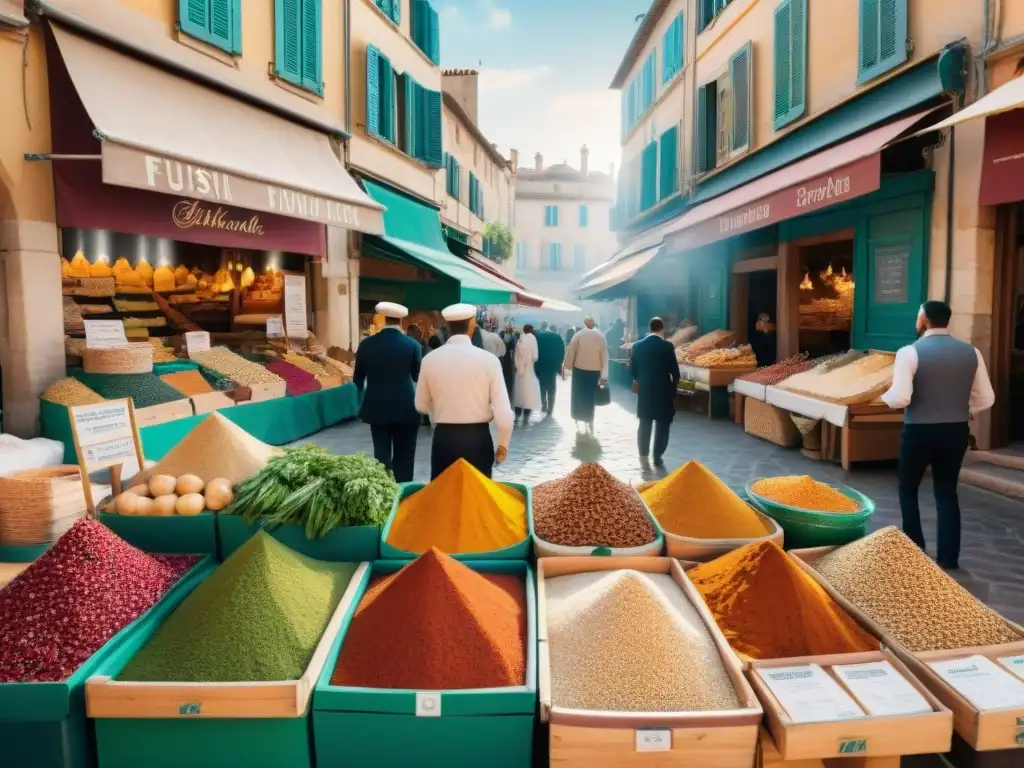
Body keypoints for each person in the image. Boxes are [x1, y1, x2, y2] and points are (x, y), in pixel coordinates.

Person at [881, 300, 995, 570]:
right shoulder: (972, 353)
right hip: (955, 431)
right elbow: (986, 398)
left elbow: (901, 398)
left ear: (923, 319)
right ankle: (949, 557)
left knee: (907, 488)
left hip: (918, 431)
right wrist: (961, 409)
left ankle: (914, 550)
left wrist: (884, 397)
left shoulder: (909, 352)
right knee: (947, 493)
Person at [415, 303, 513, 479]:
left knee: (444, 497)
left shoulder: (429, 360)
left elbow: (421, 405)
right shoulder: (489, 361)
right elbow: (503, 411)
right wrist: (503, 444)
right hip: (478, 440)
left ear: (447, 326)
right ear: (472, 324)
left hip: (444, 440)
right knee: (477, 499)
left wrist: (440, 408)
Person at [352, 302, 422, 482]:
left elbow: (358, 379)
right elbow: (417, 376)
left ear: (383, 319)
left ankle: (384, 491)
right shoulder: (413, 345)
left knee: (381, 454)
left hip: (376, 407)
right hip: (406, 407)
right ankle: (403, 491)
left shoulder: (366, 344)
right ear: (400, 320)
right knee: (405, 454)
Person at [630, 317, 680, 467]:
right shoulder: (667, 346)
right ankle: (657, 457)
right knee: (663, 424)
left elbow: (632, 371)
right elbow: (675, 372)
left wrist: (641, 380)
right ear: (662, 329)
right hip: (663, 392)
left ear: (649, 328)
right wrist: (673, 390)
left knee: (645, 423)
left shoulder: (638, 346)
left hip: (645, 391)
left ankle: (643, 455)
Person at [564, 316, 609, 432]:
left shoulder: (578, 335)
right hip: (595, 370)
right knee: (591, 395)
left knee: (578, 394)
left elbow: (571, 351)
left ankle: (578, 416)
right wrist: (604, 375)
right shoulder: (601, 336)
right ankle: (589, 417)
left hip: (579, 369)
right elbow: (604, 357)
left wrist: (568, 368)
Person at [513, 324, 543, 425]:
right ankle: (526, 415)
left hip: (520, 369)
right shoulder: (533, 338)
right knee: (529, 391)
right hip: (529, 369)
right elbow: (535, 356)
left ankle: (517, 414)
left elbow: (516, 354)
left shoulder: (520, 338)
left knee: (519, 392)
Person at [534, 322, 566, 415]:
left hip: (541, 364)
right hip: (552, 365)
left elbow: (534, 350)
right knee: (552, 386)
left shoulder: (538, 336)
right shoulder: (557, 337)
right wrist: (559, 364)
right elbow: (562, 351)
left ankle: (544, 405)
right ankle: (550, 409)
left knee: (542, 385)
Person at [500, 324, 517, 401]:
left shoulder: (502, 337)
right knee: (509, 379)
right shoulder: (513, 338)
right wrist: (513, 362)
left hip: (503, 360)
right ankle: (509, 395)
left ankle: (503, 393)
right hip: (509, 362)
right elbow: (512, 352)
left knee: (504, 377)